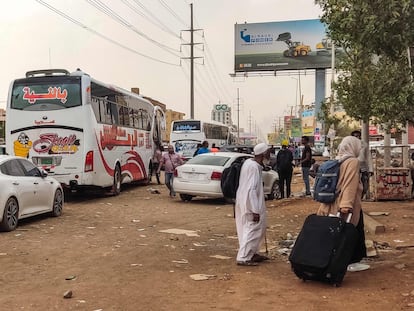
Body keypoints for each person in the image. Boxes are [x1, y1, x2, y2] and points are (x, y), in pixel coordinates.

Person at [316, 135, 367, 264]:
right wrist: (346, 205)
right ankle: (349, 260)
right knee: (349, 231)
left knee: (340, 231)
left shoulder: (338, 160)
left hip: (331, 202)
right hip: (345, 204)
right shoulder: (352, 162)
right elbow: (350, 184)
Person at [235, 142, 270, 266]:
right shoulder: (253, 167)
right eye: (268, 153)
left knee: (253, 228)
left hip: (244, 200)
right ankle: (244, 257)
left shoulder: (250, 163)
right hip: (250, 202)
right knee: (253, 228)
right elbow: (252, 190)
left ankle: (252, 253)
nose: (270, 156)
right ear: (263, 154)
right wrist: (255, 210)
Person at [351, 130, 371, 199]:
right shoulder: (349, 144)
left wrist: (370, 170)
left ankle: (361, 196)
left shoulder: (364, 145)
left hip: (363, 167)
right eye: (355, 136)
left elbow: (368, 157)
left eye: (358, 136)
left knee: (365, 184)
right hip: (352, 167)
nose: (357, 137)